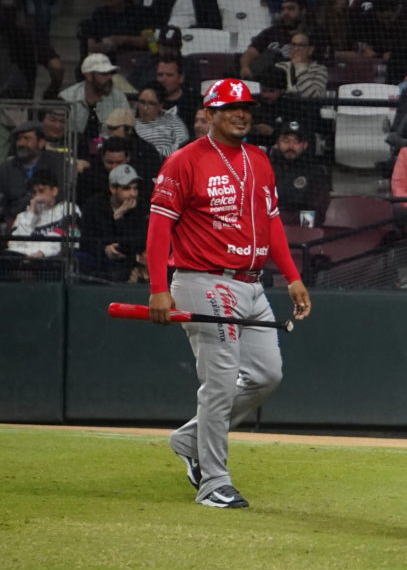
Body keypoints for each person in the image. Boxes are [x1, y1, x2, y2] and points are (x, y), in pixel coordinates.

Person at [147, 78, 312, 509]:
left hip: (251, 282)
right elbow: (159, 227)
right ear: (210, 113)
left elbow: (273, 223)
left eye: (246, 108)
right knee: (219, 381)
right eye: (231, 107)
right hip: (203, 280)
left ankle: (189, 439)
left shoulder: (258, 159)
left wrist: (292, 275)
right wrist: (158, 288)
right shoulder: (184, 161)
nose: (242, 114)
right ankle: (214, 482)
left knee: (266, 375)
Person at [79, 163, 148, 282]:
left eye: (135, 188)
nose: (133, 193)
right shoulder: (94, 205)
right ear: (112, 188)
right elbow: (86, 239)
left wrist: (119, 218)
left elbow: (137, 243)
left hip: (129, 260)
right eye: (126, 188)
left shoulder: (141, 207)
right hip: (99, 259)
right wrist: (104, 249)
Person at [0, 121, 68, 223]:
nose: (20, 143)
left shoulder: (57, 163)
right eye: (19, 139)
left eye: (26, 139)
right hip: (15, 225)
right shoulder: (6, 168)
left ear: (41, 143)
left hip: (52, 221)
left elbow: (62, 195)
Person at [59, 54, 132, 148]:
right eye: (104, 74)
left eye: (110, 73)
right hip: (72, 152)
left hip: (108, 153)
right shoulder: (67, 98)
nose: (110, 78)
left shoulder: (118, 98)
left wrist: (94, 146)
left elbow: (123, 134)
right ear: (89, 75)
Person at [5, 169, 78, 262]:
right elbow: (13, 245)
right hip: (21, 263)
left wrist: (42, 252)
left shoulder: (69, 210)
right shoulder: (23, 216)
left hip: (50, 263)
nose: (37, 197)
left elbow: (69, 242)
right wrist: (32, 215)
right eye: (34, 193)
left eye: (41, 191)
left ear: (54, 191)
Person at [268, 120, 331, 227]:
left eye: (296, 142)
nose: (290, 146)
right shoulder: (265, 170)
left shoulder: (316, 173)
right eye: (286, 141)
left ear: (305, 145)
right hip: (267, 230)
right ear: (278, 144)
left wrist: (297, 229)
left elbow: (317, 214)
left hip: (301, 233)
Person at [134, 84, 191, 160]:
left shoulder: (171, 119)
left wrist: (160, 155)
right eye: (142, 102)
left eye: (151, 103)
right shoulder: (132, 123)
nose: (145, 108)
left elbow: (183, 142)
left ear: (160, 105)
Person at [276, 31, 328, 98]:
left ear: (310, 50)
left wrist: (300, 67)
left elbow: (315, 97)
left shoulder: (320, 69)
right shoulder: (280, 66)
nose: (296, 49)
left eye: (301, 45)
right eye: (293, 44)